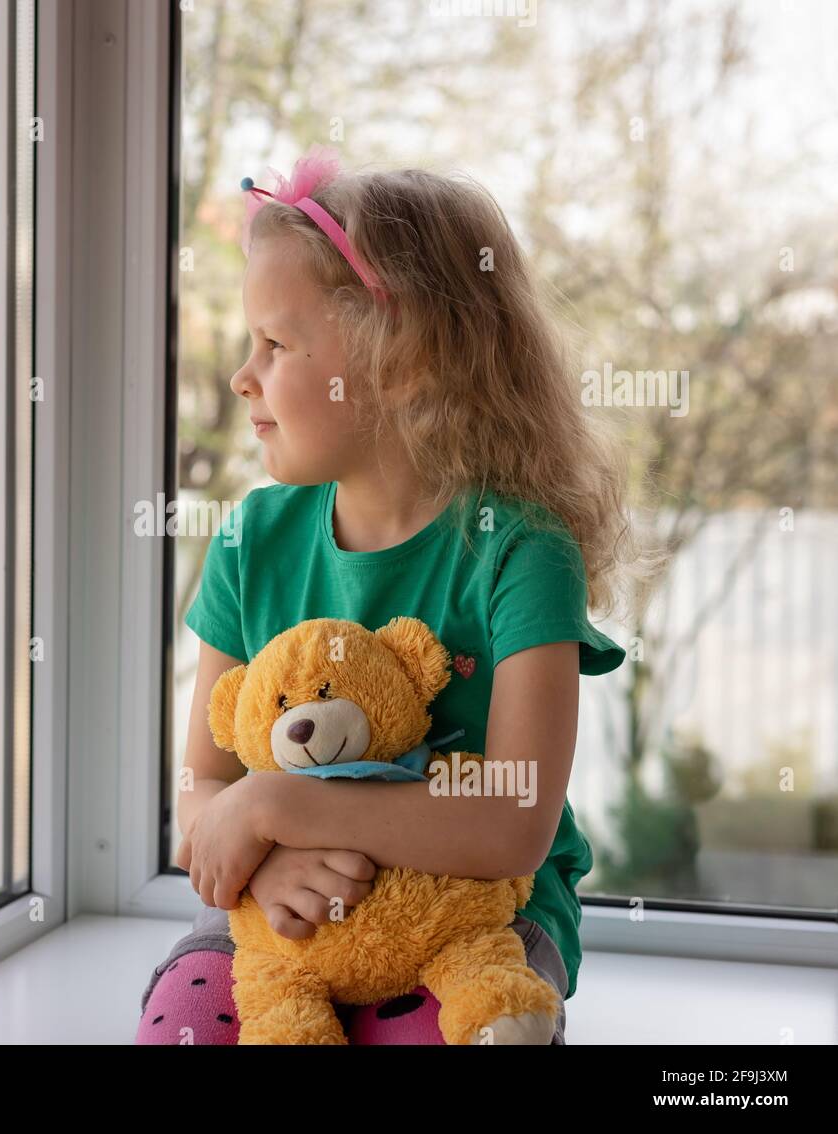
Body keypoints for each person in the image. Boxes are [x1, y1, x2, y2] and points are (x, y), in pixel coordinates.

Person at [136, 144, 650, 1045]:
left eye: (276, 344)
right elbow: (203, 790)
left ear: (401, 361)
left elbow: (512, 824)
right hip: (279, 919)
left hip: (476, 919)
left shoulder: (522, 553)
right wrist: (258, 861)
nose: (241, 377)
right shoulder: (253, 541)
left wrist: (278, 806)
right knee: (185, 1024)